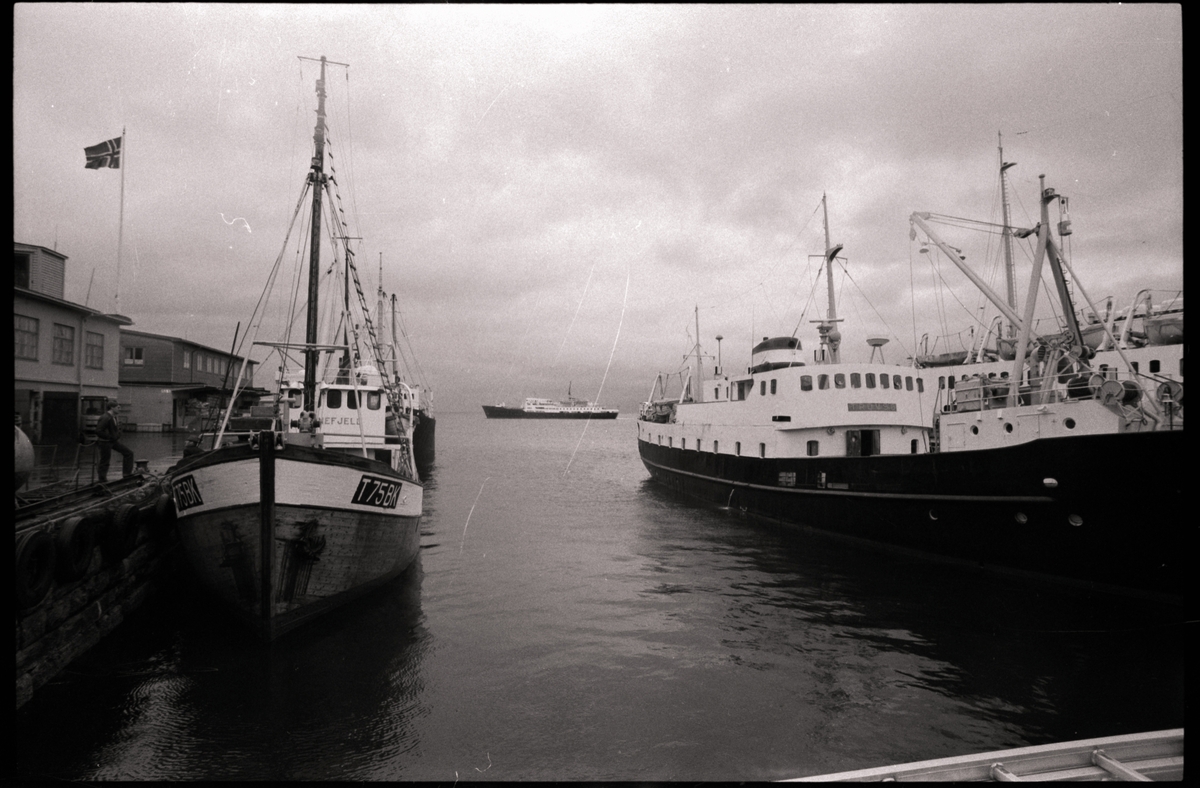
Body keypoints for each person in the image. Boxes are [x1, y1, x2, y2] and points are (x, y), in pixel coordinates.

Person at [95, 401, 134, 482]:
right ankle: (102, 479)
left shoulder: (113, 417)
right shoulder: (106, 417)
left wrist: (116, 435)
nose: (120, 409)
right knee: (105, 460)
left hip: (112, 441)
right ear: (112, 407)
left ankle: (127, 474)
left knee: (129, 453)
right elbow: (99, 431)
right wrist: (110, 437)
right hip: (105, 442)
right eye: (118, 407)